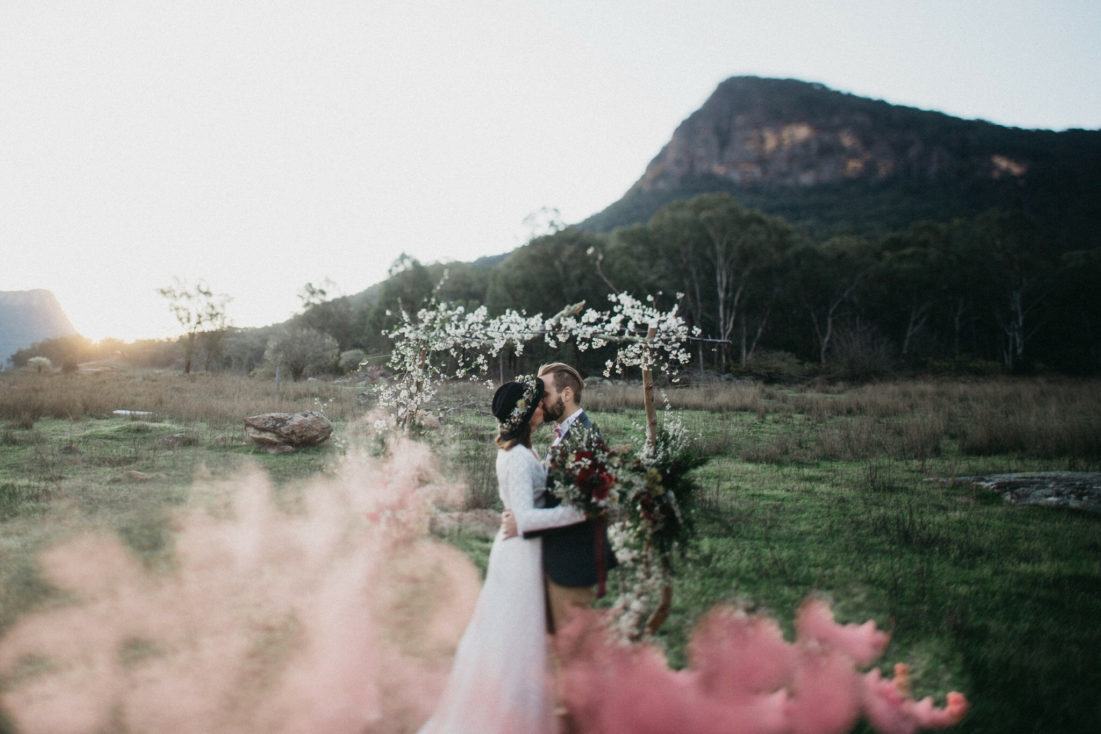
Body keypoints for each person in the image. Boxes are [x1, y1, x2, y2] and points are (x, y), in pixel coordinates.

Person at [417, 375, 584, 734]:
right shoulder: (519, 457)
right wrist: (580, 511)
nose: (543, 406)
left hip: (516, 553)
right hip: (520, 558)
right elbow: (524, 518)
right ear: (525, 413)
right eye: (537, 402)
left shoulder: (519, 452)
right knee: (517, 645)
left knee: (511, 640)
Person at [504, 362, 619, 634]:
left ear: (566, 394)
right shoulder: (566, 434)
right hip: (555, 559)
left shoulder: (584, 438)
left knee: (571, 652)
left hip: (571, 566)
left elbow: (587, 508)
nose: (538, 401)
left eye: (544, 394)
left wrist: (523, 523)